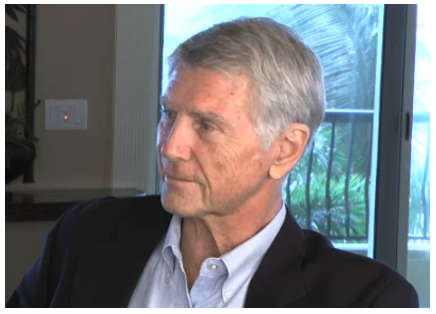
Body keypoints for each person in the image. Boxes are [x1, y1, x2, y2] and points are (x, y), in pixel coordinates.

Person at [7, 17, 418, 308]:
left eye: (206, 125)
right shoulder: (83, 237)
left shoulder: (366, 299)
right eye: (169, 114)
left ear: (286, 149)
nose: (170, 147)